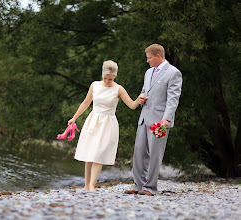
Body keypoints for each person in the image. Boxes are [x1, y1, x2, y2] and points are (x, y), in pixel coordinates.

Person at [68, 60, 145, 191]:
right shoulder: (95, 85)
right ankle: (86, 185)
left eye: (110, 79)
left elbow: (132, 105)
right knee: (89, 153)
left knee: (99, 153)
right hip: (93, 120)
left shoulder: (118, 89)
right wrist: (74, 117)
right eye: (105, 78)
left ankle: (92, 185)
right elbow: (86, 103)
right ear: (102, 75)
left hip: (108, 123)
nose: (107, 81)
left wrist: (139, 100)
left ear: (114, 76)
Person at [124, 44, 183, 196]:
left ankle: (150, 188)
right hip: (144, 119)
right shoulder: (148, 72)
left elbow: (173, 99)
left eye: (149, 58)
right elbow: (145, 91)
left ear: (158, 56)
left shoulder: (173, 73)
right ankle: (138, 186)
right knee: (139, 153)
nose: (147, 61)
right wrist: (141, 98)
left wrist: (166, 119)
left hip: (159, 122)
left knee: (155, 155)